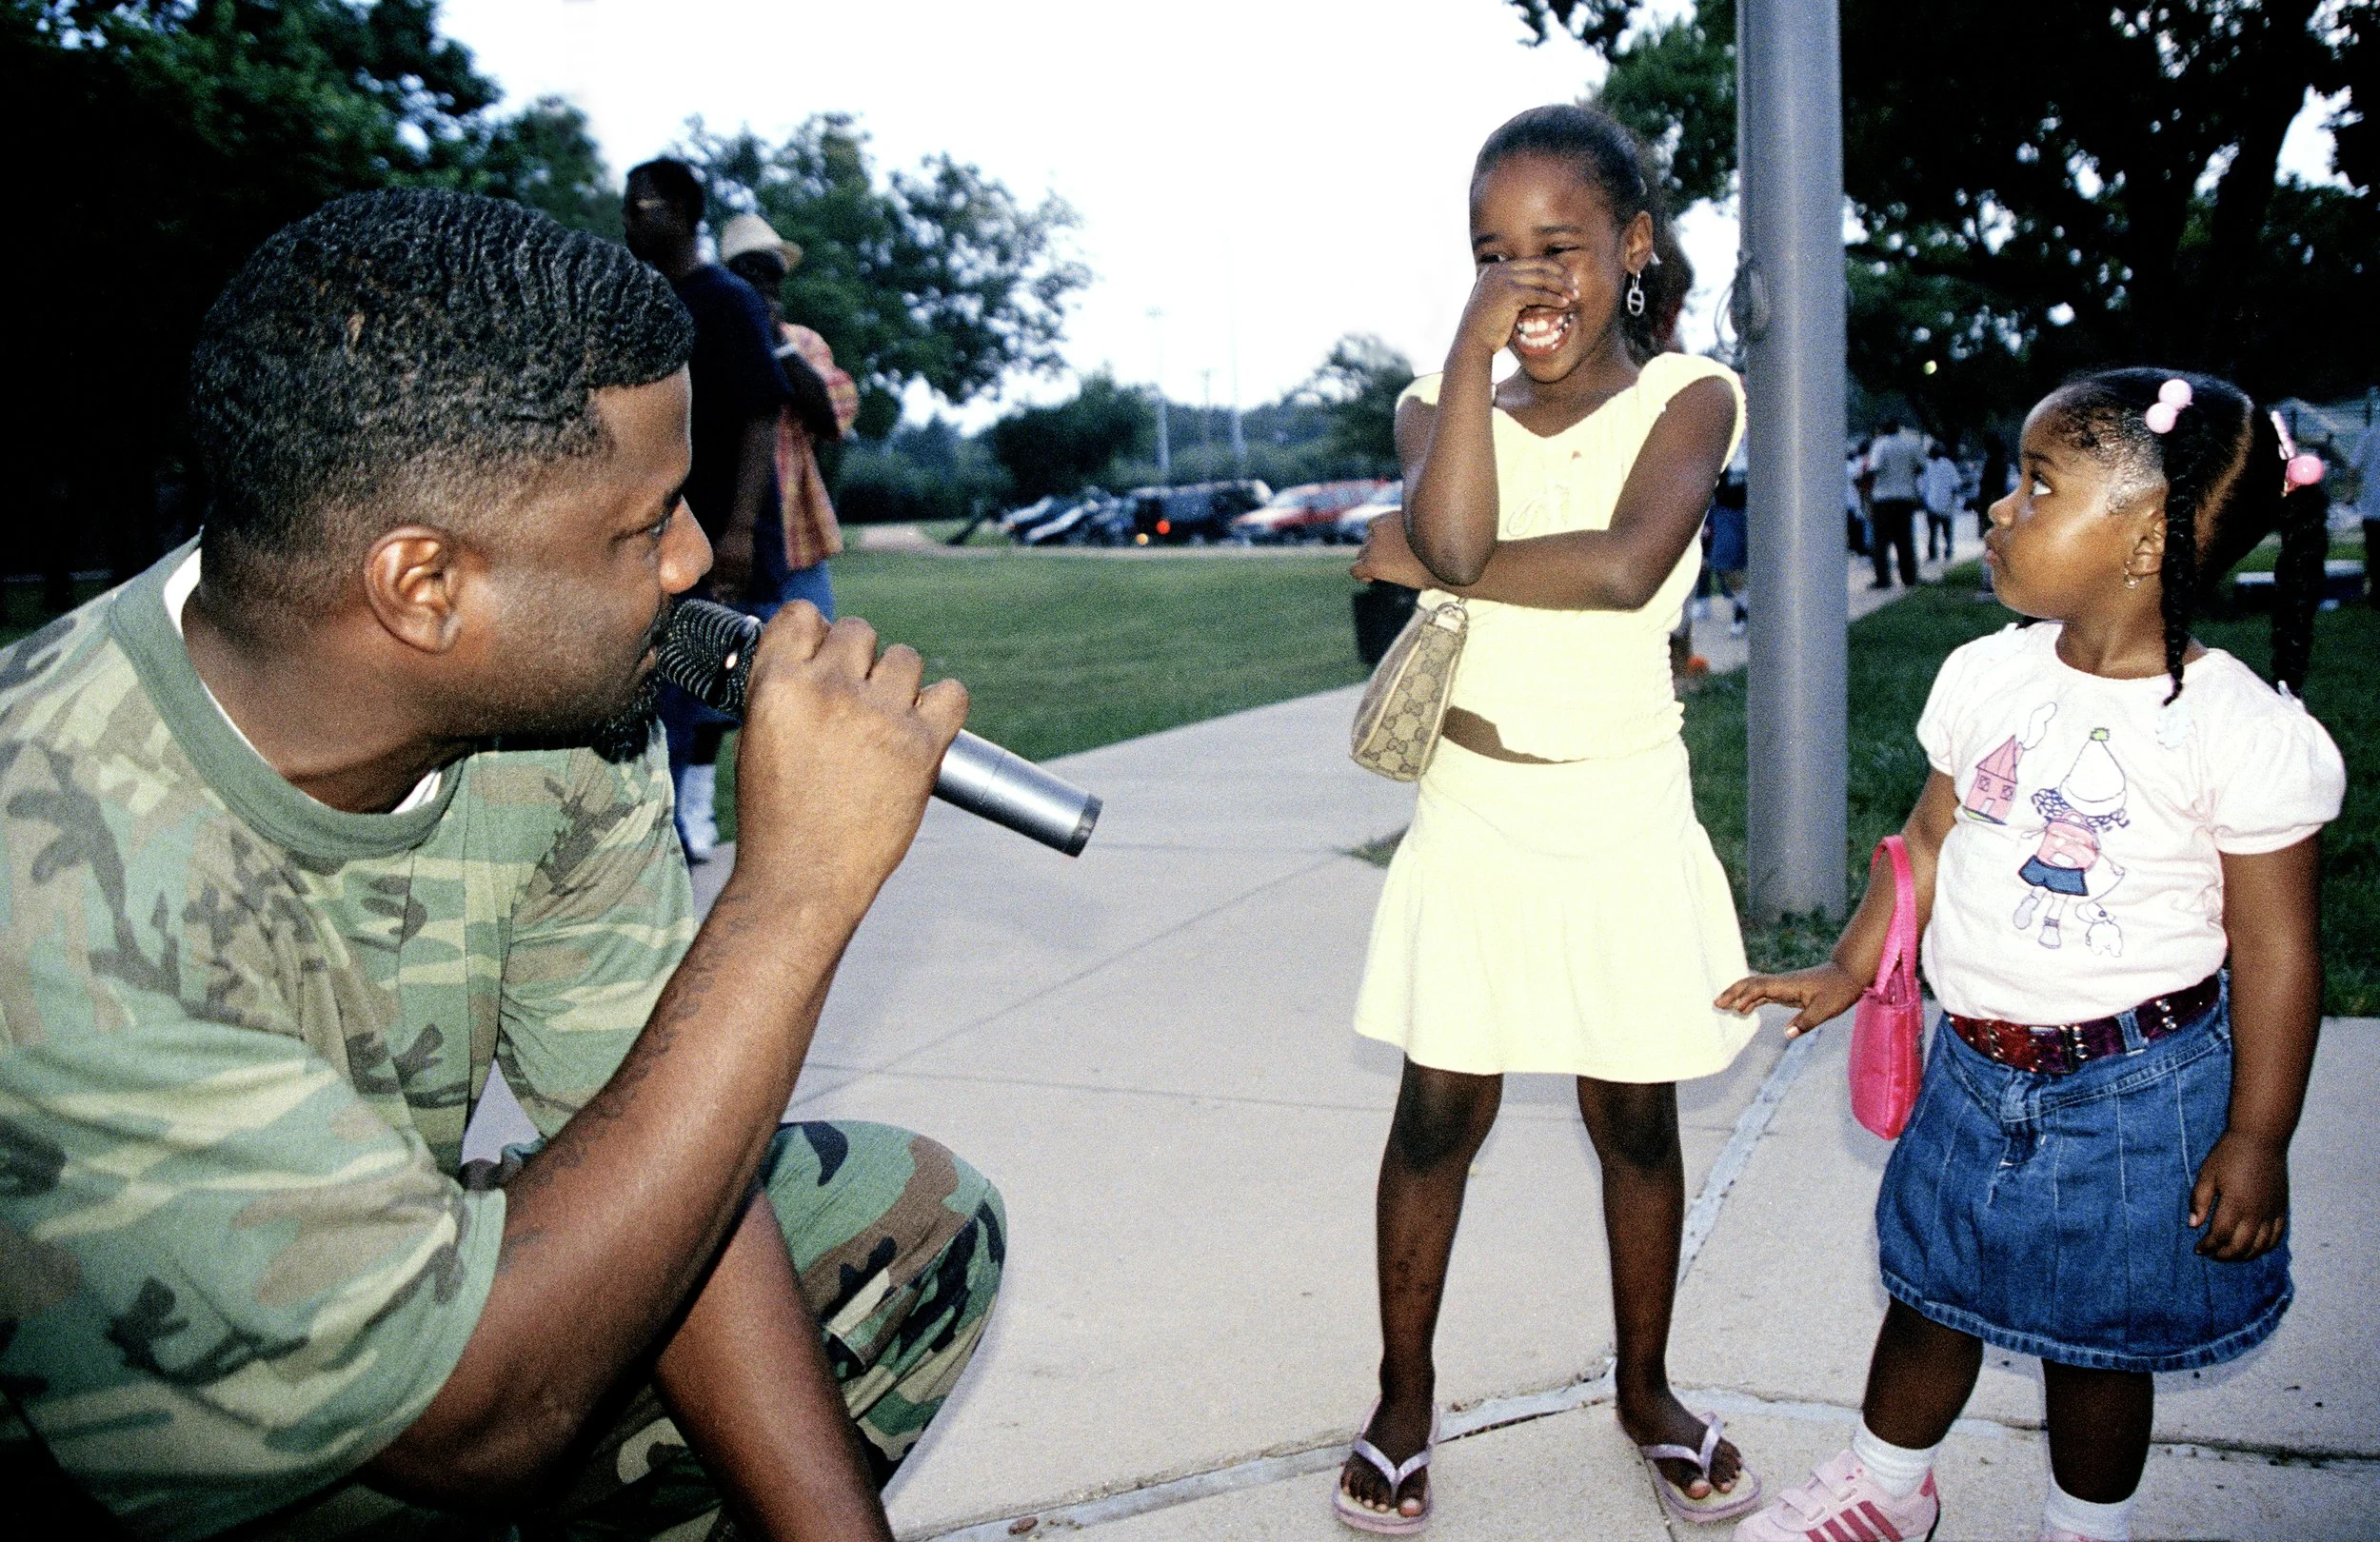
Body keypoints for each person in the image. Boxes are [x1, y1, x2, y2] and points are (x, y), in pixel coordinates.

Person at [0, 189, 1004, 1542]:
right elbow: (478, 1428)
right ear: (425, 588)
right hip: (123, 1456)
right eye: (644, 525)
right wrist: (790, 895)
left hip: (387, 1317)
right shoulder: (50, 876)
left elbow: (671, 1147)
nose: (699, 561)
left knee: (905, 1225)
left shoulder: (551, 710)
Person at [1718, 368, 2343, 1542]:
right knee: (1928, 1291)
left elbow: (2277, 951)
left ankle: (2081, 1527)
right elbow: (1925, 840)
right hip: (1971, 1066)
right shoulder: (1988, 676)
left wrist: (2257, 1137)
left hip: (2136, 1092)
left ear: (2144, 534)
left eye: (2037, 484)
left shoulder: (2242, 733)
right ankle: (1886, 1488)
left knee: (2099, 1346)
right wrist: (1849, 970)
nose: (2000, 510)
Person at [1342, 104, 1763, 1532]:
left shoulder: (1692, 396)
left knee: (1633, 1118)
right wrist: (1465, 368)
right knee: (1437, 1113)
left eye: (1559, 248)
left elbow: (1626, 565)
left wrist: (1423, 552)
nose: (1527, 283)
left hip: (1625, 815)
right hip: (1473, 815)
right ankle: (1403, 1395)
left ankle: (1644, 1387)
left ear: (1633, 248)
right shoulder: (1434, 401)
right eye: (1490, 255)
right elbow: (1454, 531)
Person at [624, 158, 792, 861]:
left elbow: (761, 413)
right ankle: (669, 829)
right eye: (628, 206)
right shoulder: (640, 299)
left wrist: (738, 532)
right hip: (660, 533)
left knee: (734, 685)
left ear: (690, 216)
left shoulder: (723, 299)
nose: (634, 217)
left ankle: (734, 827)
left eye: (649, 206)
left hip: (721, 529)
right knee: (665, 688)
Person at [720, 211, 857, 622]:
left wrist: (774, 341)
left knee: (817, 668)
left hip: (797, 547)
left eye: (771, 275)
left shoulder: (803, 343)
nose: (762, 287)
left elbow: (832, 419)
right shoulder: (709, 341)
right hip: (723, 548)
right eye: (749, 275)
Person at [1866, 418, 1926, 588]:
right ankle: (1909, 577)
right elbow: (1921, 467)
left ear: (1883, 429)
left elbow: (1874, 468)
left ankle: (1883, 579)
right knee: (1905, 539)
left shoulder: (1880, 444)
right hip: (1905, 497)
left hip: (1883, 497)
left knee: (1881, 541)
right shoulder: (1910, 443)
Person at [1920, 439, 1962, 562]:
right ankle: (1935, 553)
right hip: (1934, 503)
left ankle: (1946, 551)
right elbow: (1923, 485)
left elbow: (1955, 485)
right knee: (1935, 532)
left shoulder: (1946, 465)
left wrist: (1952, 500)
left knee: (1942, 531)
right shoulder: (1929, 465)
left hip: (1942, 503)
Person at [1846, 440, 1874, 556]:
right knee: (1861, 523)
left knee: (1860, 523)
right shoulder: (1857, 464)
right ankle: (1862, 547)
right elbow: (1857, 480)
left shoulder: (1856, 463)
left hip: (1856, 499)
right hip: (1857, 498)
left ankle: (1860, 546)